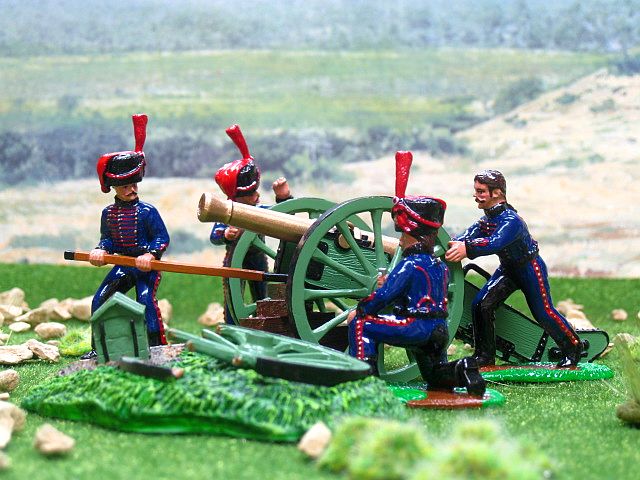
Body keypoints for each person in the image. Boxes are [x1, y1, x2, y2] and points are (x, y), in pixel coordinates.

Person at [347, 151, 486, 396]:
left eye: (403, 236)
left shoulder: (410, 265)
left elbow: (384, 297)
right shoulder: (439, 266)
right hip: (438, 330)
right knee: (434, 375)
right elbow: (419, 294)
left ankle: (366, 385)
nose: (400, 243)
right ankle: (464, 369)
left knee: (362, 325)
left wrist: (362, 307)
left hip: (415, 327)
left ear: (413, 236)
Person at [445, 170, 582, 368]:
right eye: (476, 191)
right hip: (508, 269)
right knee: (481, 304)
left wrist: (467, 248)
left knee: (543, 312)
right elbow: (468, 234)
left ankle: (573, 347)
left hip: (529, 268)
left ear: (497, 193)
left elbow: (494, 243)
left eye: (481, 191)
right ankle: (484, 356)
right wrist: (451, 244)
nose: (476, 196)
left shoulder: (511, 221)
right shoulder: (487, 219)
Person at [82, 114, 170, 359]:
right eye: (125, 186)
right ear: (115, 188)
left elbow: (162, 238)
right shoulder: (108, 213)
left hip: (146, 267)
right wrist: (101, 250)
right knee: (100, 299)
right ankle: (97, 347)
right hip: (123, 265)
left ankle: (156, 346)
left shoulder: (148, 212)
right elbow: (107, 239)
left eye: (134, 184)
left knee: (145, 300)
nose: (132, 189)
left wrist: (151, 254)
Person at [211, 124, 292, 323]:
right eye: (250, 194)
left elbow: (284, 218)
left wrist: (284, 197)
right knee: (232, 298)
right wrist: (225, 234)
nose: (256, 195)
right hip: (233, 260)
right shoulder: (227, 212)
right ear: (237, 198)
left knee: (262, 297)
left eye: (256, 191)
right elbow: (214, 235)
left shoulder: (259, 210)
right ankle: (232, 327)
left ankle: (266, 325)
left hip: (257, 258)